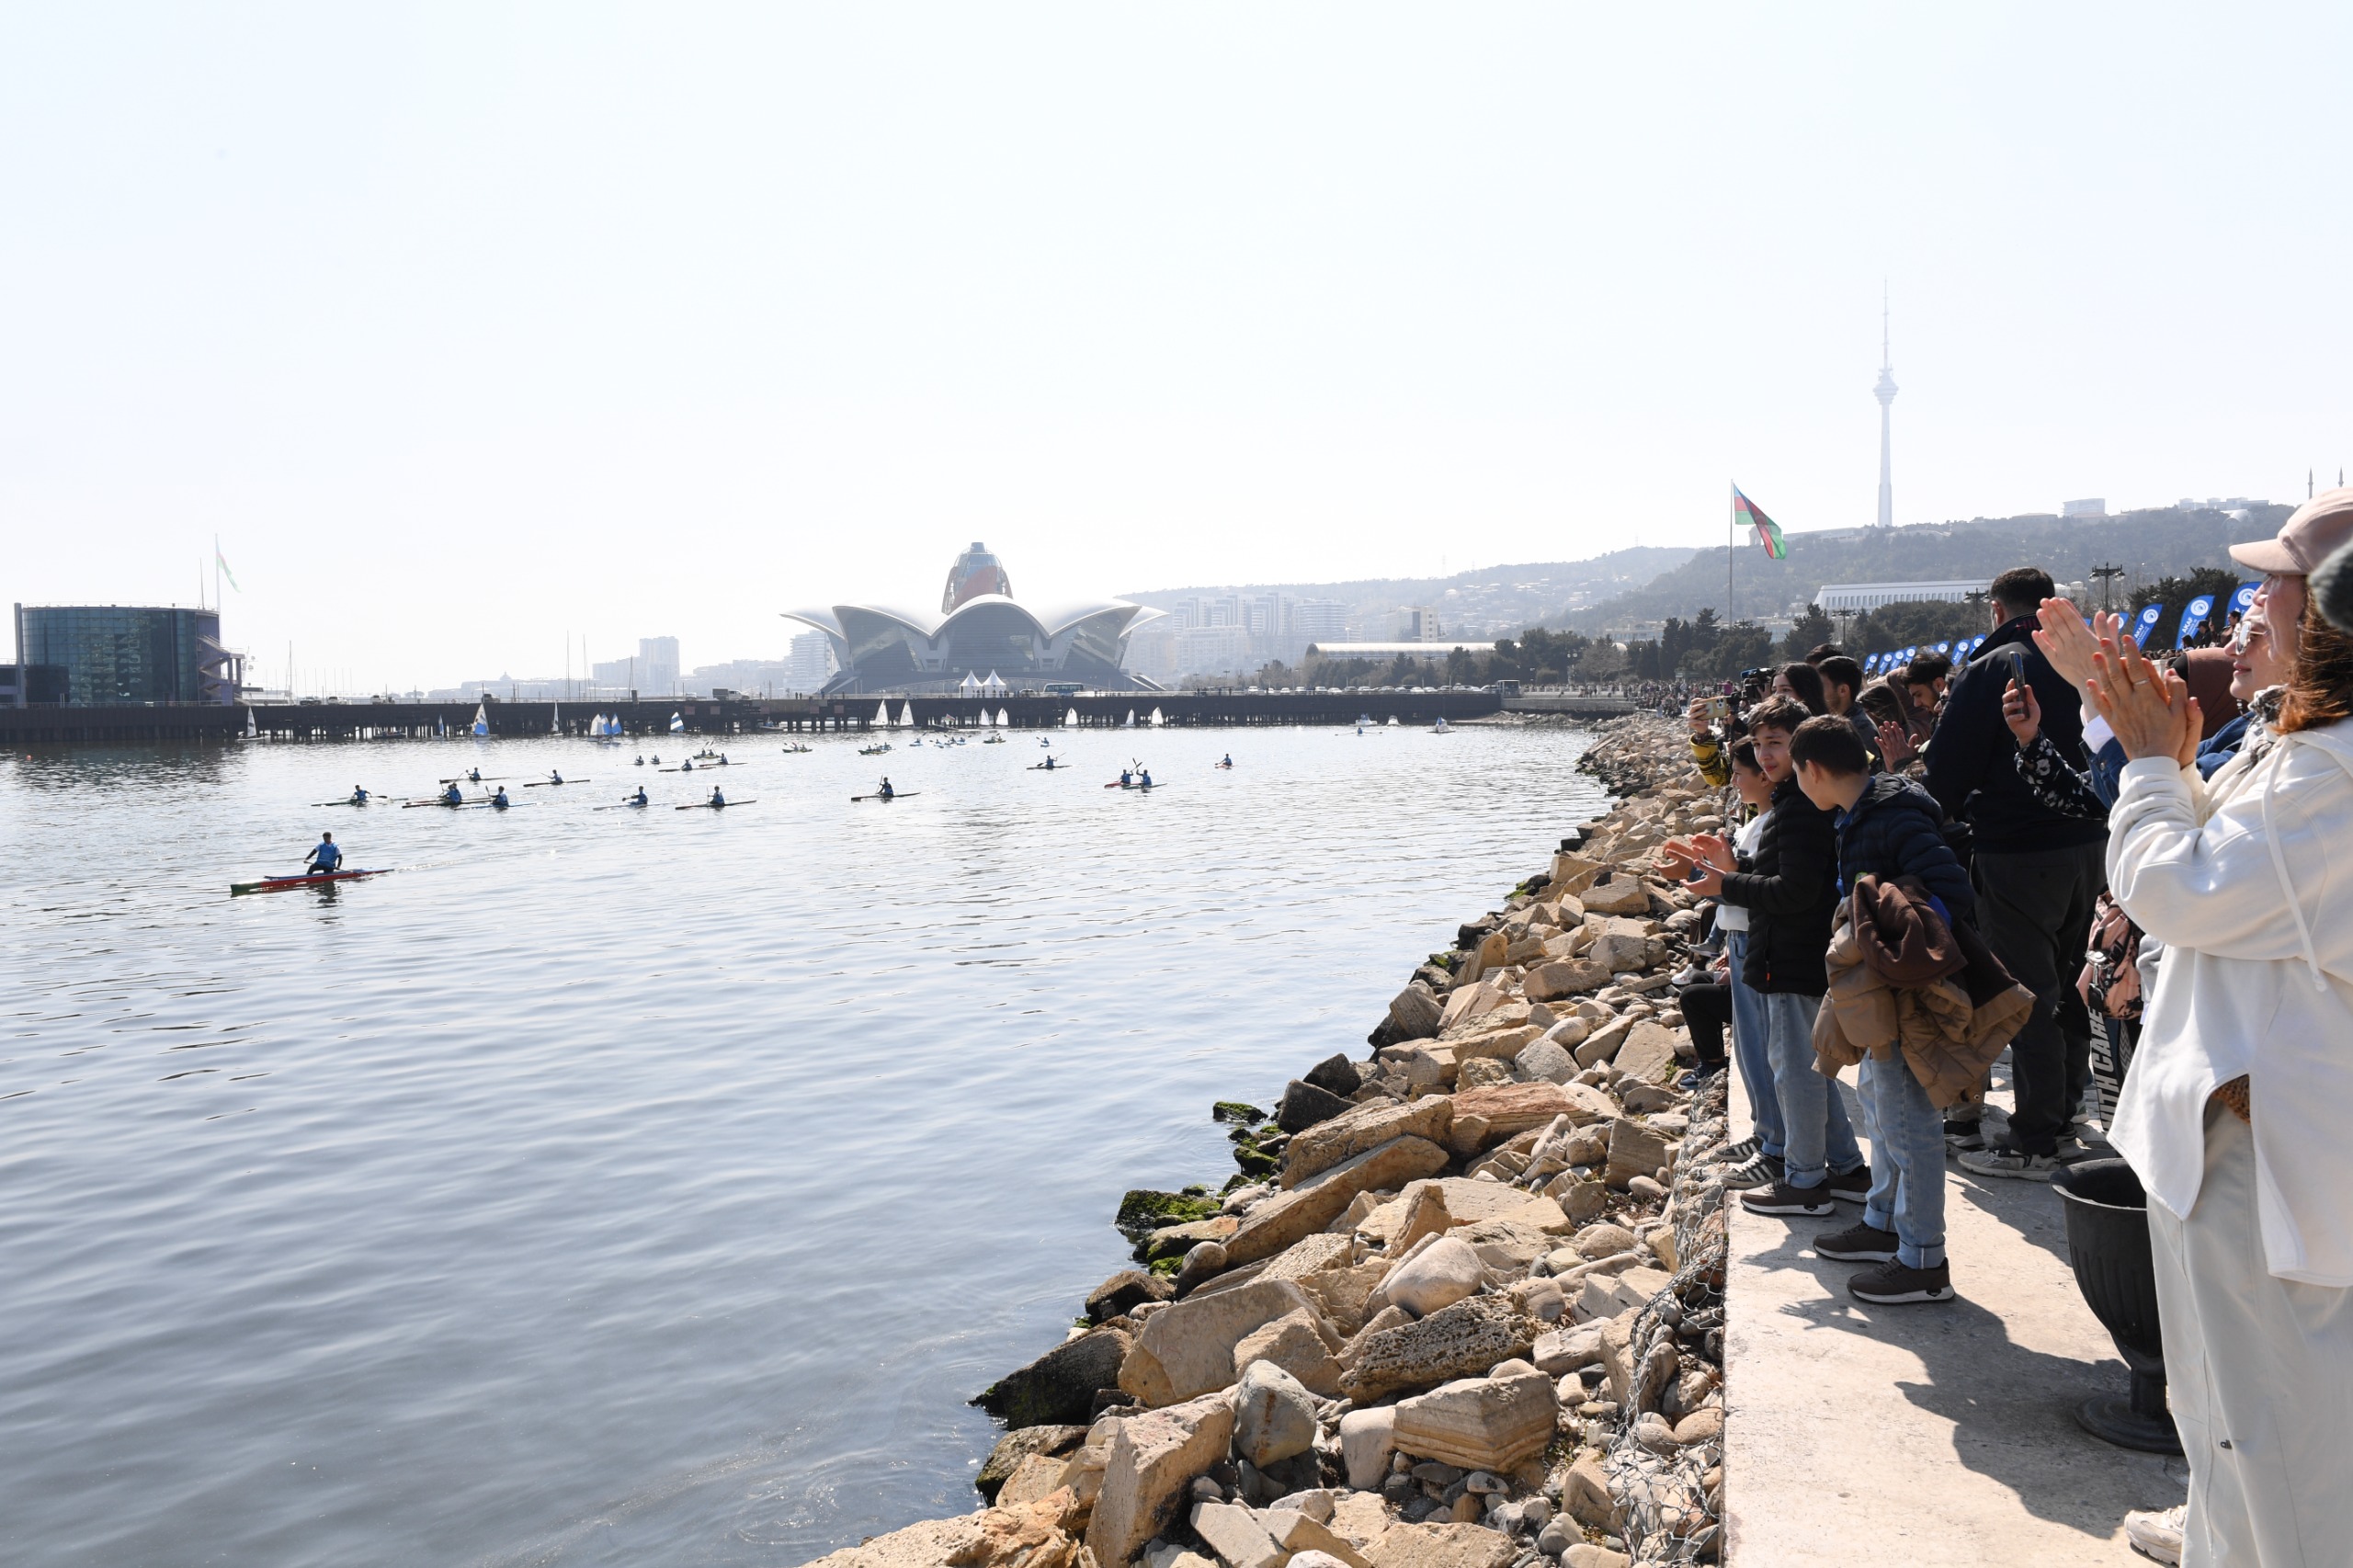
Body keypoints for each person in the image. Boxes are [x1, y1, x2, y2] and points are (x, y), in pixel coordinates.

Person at [2089, 506, 2353, 1565]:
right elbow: (2230, 867)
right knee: (2230, 1411)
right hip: (2244, 1124)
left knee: (2283, 1443)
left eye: (2275, 583)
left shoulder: (2329, 777)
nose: (2253, 603)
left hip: (2268, 1140)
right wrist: (2173, 764)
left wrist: (2149, 766)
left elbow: (2179, 884)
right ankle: (2213, 1534)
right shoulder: (2311, 756)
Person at [1927, 566, 2109, 1177]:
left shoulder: (1994, 668)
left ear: (1996, 608)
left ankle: (2033, 1136)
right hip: (2091, 841)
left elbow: (1949, 772)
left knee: (2026, 992)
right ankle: (2063, 1109)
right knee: (2067, 976)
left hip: (2018, 850)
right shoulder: (2081, 658)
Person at [1790, 713, 1977, 1304]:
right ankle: (1884, 1223)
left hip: (1904, 993)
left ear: (1812, 771)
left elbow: (1954, 891)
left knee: (1906, 1118)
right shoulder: (1861, 813)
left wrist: (1893, 935)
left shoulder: (1890, 814)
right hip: (1882, 990)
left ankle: (1923, 1260)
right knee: (1878, 1102)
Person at [1669, 696, 1870, 1215]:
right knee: (1807, 1067)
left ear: (1800, 745)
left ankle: (1805, 1183)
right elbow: (1781, 876)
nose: (1763, 756)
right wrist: (1728, 869)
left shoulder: (1799, 808)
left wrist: (1726, 881)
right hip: (1789, 953)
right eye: (1757, 745)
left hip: (1794, 957)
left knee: (1794, 1071)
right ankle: (1847, 1169)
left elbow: (1798, 891)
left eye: (1775, 744)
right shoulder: (1793, 803)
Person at [1659, 736, 1783, 1187]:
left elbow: (1744, 881)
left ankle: (1777, 1143)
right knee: (1750, 1051)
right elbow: (1731, 876)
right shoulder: (1757, 820)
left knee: (1762, 1049)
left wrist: (1709, 871)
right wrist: (1693, 867)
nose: (1732, 781)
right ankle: (1766, 1133)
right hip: (1740, 939)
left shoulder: (1773, 823)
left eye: (1739, 773)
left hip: (1755, 940)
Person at [1814, 654, 1883, 772]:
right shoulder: (1837, 722)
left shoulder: (1859, 730)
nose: (1816, 693)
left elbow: (1866, 779)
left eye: (1820, 687)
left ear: (1843, 690)